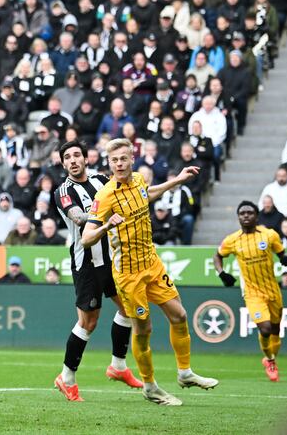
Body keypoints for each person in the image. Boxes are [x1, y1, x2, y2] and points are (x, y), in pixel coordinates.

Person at [82, 138, 218, 406]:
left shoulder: (138, 180)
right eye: (114, 160)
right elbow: (87, 238)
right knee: (144, 329)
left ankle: (185, 373)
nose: (119, 164)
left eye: (123, 158)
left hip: (151, 263)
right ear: (108, 164)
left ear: (132, 158)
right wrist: (107, 226)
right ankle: (149, 385)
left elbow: (148, 194)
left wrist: (177, 180)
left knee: (179, 315)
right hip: (129, 273)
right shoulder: (105, 195)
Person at [53, 140, 142, 401]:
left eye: (77, 155)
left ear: (86, 158)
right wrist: (105, 220)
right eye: (67, 157)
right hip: (87, 262)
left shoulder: (102, 180)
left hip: (112, 258)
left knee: (128, 308)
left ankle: (118, 366)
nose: (73, 160)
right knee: (88, 322)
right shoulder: (63, 191)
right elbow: (79, 217)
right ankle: (66, 377)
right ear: (63, 163)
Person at [214, 201, 287, 381]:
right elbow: (217, 255)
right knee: (264, 329)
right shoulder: (232, 240)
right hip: (252, 292)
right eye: (242, 213)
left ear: (257, 216)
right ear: (238, 217)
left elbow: (281, 253)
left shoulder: (269, 235)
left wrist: (285, 258)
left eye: (250, 212)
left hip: (273, 290)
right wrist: (221, 273)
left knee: (275, 330)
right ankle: (270, 360)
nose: (246, 215)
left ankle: (270, 358)